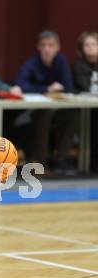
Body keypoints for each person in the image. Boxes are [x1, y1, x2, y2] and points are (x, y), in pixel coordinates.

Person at [16, 30, 77, 173]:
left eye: (51, 45)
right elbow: (20, 84)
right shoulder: (32, 63)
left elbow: (68, 85)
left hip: (57, 108)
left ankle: (60, 159)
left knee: (74, 114)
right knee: (44, 115)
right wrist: (46, 88)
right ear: (38, 47)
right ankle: (41, 160)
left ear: (57, 47)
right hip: (33, 110)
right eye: (43, 45)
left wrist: (61, 88)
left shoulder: (61, 60)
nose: (47, 49)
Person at [73, 31, 98, 172]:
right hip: (85, 108)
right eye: (87, 45)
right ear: (81, 48)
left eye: (94, 44)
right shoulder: (79, 66)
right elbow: (84, 86)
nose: (90, 47)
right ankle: (91, 163)